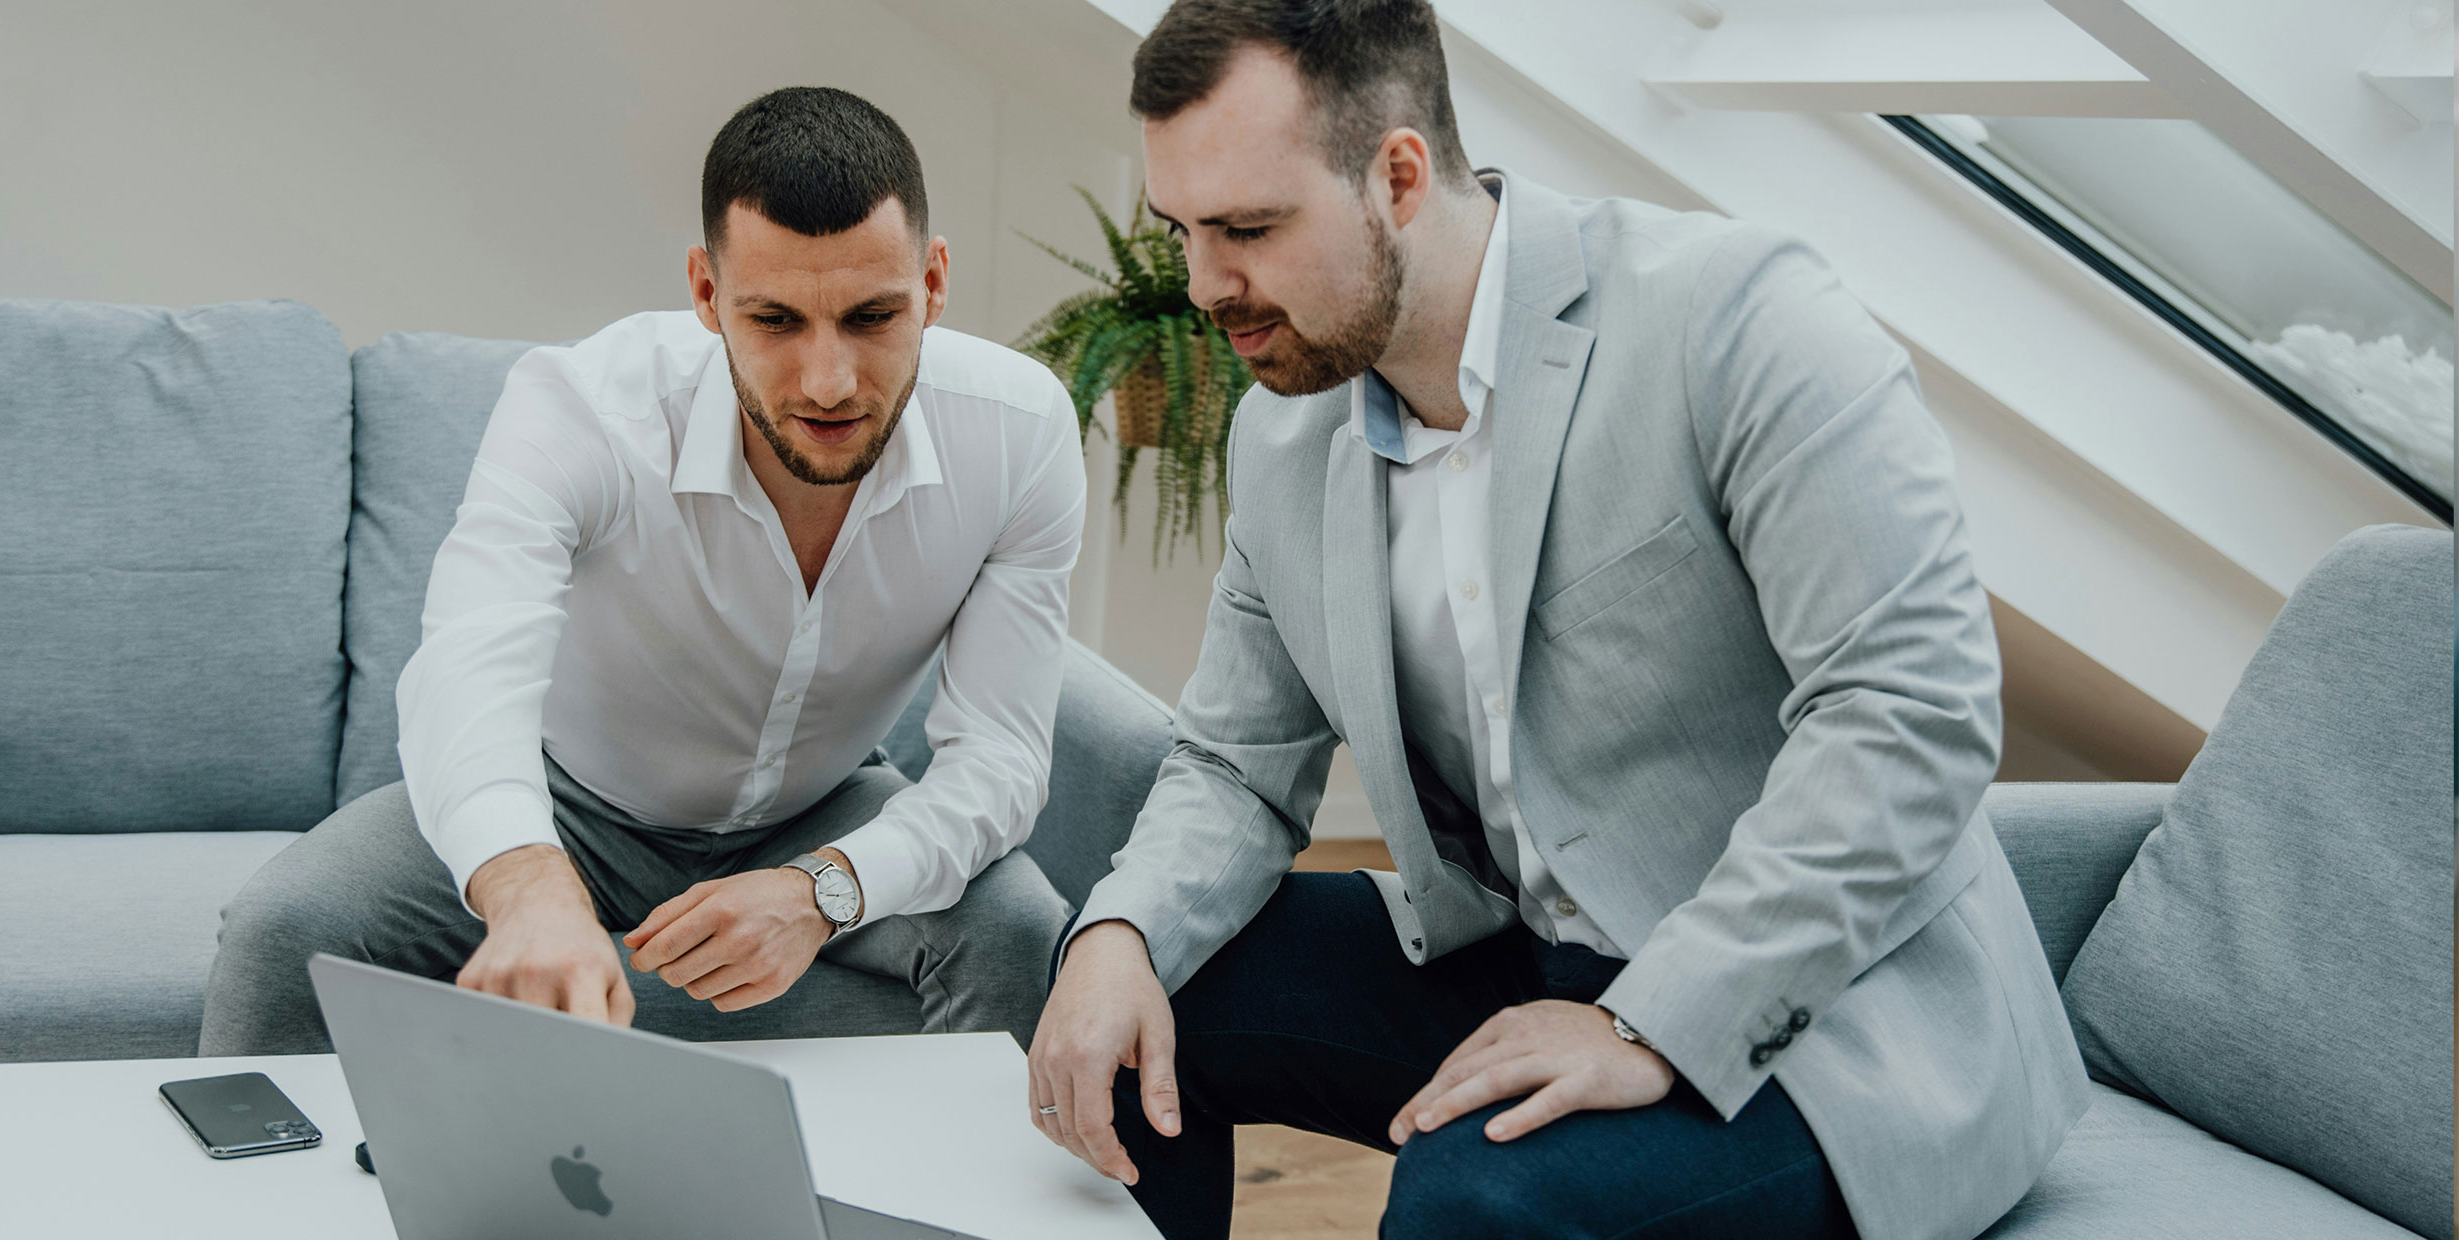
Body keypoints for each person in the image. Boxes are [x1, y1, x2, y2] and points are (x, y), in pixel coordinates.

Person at [1025, 4, 2087, 1239]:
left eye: (1248, 230)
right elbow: (1234, 765)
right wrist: (1118, 931)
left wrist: (1657, 1021)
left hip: (1837, 1021)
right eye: (1183, 232)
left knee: (1473, 1200)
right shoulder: (1284, 433)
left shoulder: (1736, 321)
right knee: (1137, 1007)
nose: (1206, 286)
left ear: (1400, 175)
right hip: (1530, 949)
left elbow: (1913, 714)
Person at [200, 86, 1084, 1056]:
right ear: (706, 294)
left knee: (1020, 926)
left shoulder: (1020, 430)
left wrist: (824, 888)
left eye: (873, 316)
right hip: (571, 799)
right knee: (286, 928)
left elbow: (1000, 760)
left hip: (821, 806)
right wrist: (529, 881)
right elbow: (467, 668)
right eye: (776, 320)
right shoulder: (582, 408)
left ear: (936, 282)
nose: (829, 380)